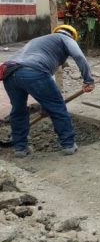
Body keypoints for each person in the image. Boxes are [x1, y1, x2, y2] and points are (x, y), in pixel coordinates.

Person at [1, 25, 95, 157]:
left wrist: (45, 106)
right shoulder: (65, 39)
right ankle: (68, 145)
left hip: (9, 72)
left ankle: (20, 148)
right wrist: (88, 80)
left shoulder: (39, 41)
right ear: (73, 37)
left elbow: (45, 83)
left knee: (18, 110)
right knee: (58, 107)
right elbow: (79, 56)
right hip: (33, 70)